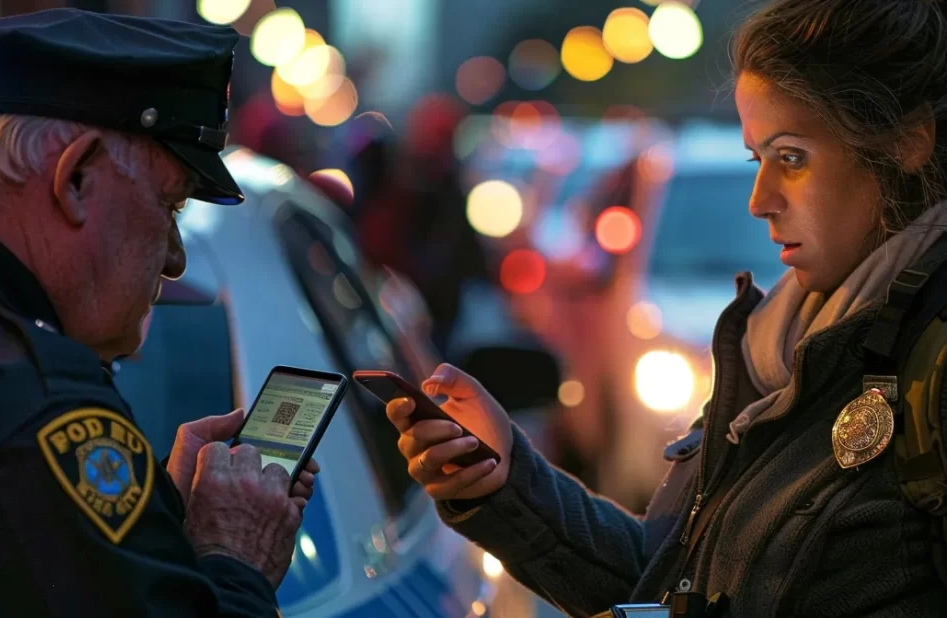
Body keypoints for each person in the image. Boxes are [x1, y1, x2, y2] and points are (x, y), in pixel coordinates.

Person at [384, 0, 947, 616]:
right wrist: (507, 481)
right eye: (757, 160)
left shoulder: (925, 364)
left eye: (792, 157)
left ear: (904, 145)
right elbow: (672, 584)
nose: (758, 201)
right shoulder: (780, 346)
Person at [0, 9, 317, 617]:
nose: (175, 259)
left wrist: (148, 518)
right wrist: (234, 559)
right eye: (171, 205)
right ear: (78, 178)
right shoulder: (38, 411)